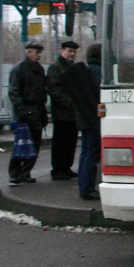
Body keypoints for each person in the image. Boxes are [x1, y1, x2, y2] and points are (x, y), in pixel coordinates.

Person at [63, 43, 102, 201]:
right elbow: (100, 92)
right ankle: (87, 188)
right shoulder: (97, 71)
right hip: (92, 118)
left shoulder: (86, 70)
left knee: (86, 153)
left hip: (84, 118)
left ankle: (84, 187)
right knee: (91, 154)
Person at [8, 42, 48, 185]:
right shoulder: (19, 70)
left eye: (39, 52)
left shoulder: (39, 69)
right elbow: (14, 91)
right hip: (25, 113)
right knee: (22, 144)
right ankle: (16, 173)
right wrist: (22, 110)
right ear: (28, 52)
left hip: (36, 111)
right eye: (36, 52)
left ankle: (25, 172)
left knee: (34, 145)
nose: (39, 55)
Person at [46, 40, 80, 181]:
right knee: (61, 142)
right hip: (62, 113)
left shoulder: (71, 67)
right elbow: (55, 90)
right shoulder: (55, 68)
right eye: (69, 51)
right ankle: (58, 169)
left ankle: (66, 167)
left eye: (73, 52)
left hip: (72, 113)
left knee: (70, 141)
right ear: (62, 51)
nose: (71, 54)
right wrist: (71, 104)